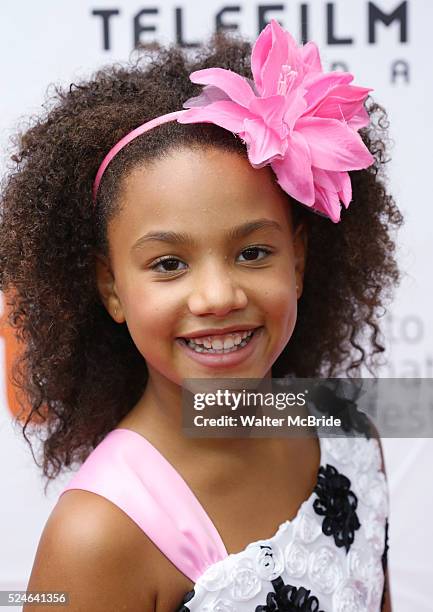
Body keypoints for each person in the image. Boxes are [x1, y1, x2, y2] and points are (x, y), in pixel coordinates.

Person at [0, 20, 400, 612]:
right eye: (167, 263)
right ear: (110, 287)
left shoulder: (345, 429)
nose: (217, 296)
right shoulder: (101, 535)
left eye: (253, 252)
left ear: (299, 259)